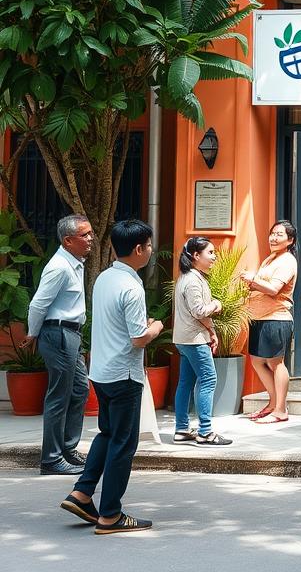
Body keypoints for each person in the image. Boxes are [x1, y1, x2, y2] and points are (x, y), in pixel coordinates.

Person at [59, 218, 163, 534]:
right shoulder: (132, 286)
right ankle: (111, 515)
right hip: (123, 374)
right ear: (138, 249)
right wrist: (155, 328)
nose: (150, 250)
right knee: (123, 443)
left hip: (101, 372)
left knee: (107, 434)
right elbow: (137, 338)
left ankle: (82, 492)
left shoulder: (104, 278)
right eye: (148, 245)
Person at [26, 214, 93, 475]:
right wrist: (32, 334)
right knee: (59, 396)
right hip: (58, 334)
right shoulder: (59, 267)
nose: (90, 239)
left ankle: (67, 449)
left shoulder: (74, 262)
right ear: (68, 240)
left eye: (90, 233)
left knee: (78, 391)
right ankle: (52, 459)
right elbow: (38, 304)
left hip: (71, 335)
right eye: (84, 235)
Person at [172, 236, 232, 446]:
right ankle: (205, 432)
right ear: (196, 256)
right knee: (208, 379)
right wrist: (216, 304)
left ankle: (181, 429)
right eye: (211, 252)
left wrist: (212, 331)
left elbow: (194, 313)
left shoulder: (189, 277)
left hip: (186, 338)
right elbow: (199, 311)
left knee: (186, 383)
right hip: (194, 339)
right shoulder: (192, 281)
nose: (214, 257)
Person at [241, 219, 298, 423]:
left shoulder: (287, 261)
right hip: (258, 317)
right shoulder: (271, 258)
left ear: (290, 240)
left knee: (276, 362)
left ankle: (281, 409)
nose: (273, 238)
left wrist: (253, 281)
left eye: (279, 234)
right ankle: (273, 403)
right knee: (257, 360)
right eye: (272, 233)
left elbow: (274, 290)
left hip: (276, 317)